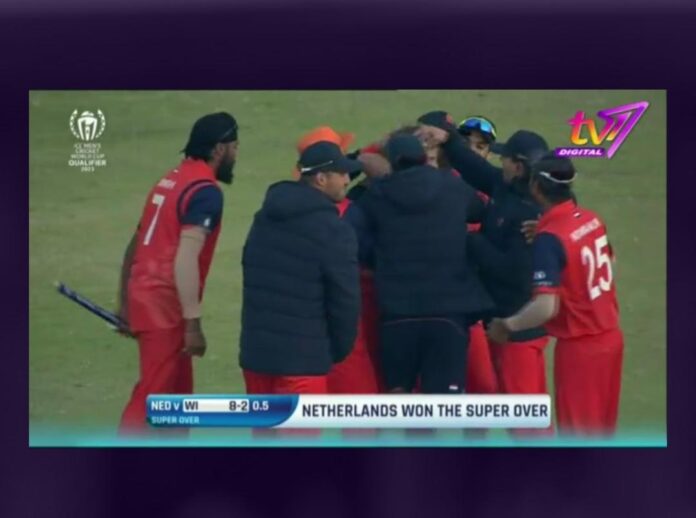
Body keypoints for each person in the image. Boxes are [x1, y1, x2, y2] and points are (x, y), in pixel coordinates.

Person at [419, 118, 552, 434]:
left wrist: (470, 241)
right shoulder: (508, 189)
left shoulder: (530, 215)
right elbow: (475, 168)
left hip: (516, 328)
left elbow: (512, 272)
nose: (498, 161)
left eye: (505, 158)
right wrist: (449, 139)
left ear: (518, 166)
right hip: (506, 323)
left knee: (522, 419)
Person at [117, 112, 239, 434]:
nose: (236, 155)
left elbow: (136, 243)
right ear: (219, 149)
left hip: (146, 294)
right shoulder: (205, 192)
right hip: (165, 305)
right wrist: (193, 324)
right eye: (234, 147)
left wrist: (126, 301)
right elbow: (185, 258)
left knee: (178, 398)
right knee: (153, 397)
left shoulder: (170, 179)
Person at [488, 153, 624, 436]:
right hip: (611, 339)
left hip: (580, 349)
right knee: (602, 432)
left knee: (578, 437)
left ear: (536, 187)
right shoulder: (590, 218)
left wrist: (508, 325)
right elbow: (609, 263)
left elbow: (546, 306)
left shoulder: (549, 240)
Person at [358, 133, 494, 394]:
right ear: (424, 158)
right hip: (449, 312)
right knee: (443, 401)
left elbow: (358, 238)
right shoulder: (451, 184)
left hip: (397, 313)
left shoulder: (378, 194)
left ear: (392, 162)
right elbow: (479, 211)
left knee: (400, 398)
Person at [239, 141, 361, 395]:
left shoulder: (264, 218)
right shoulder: (334, 230)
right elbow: (345, 299)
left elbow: (251, 271)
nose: (347, 180)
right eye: (341, 174)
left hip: (257, 355)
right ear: (321, 179)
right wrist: (334, 351)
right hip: (303, 362)